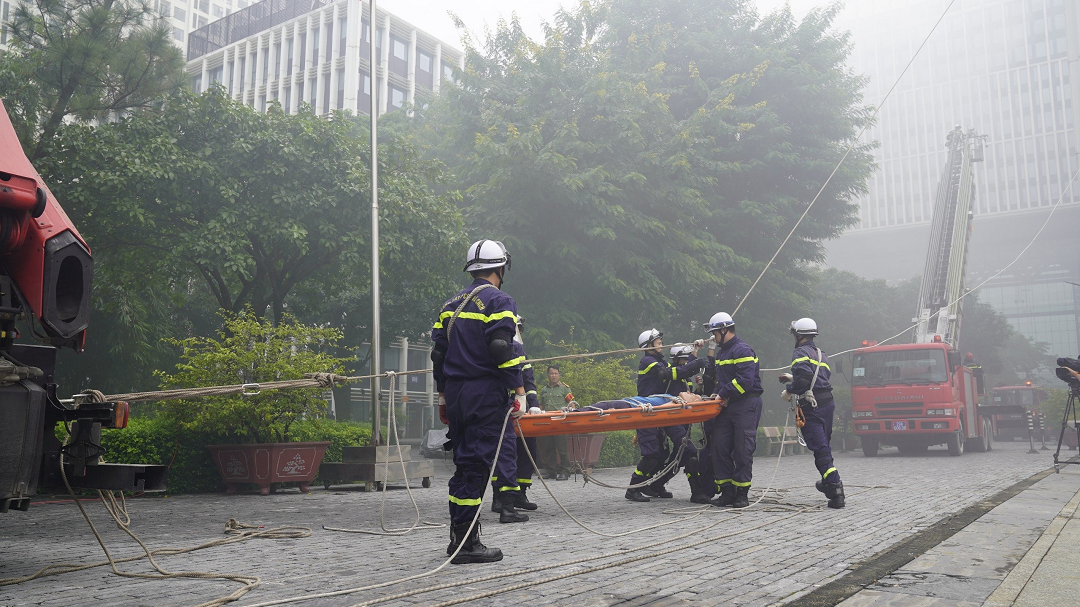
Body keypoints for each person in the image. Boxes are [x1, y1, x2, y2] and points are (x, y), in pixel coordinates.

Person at [430, 239, 526, 564]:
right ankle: (467, 545)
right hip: (484, 394)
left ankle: (459, 538)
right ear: (500, 268)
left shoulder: (450, 305)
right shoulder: (500, 300)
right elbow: (501, 347)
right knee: (476, 467)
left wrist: (442, 396)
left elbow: (438, 354)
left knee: (464, 465)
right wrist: (520, 391)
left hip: (456, 394)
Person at [626, 329, 707, 503]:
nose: (662, 344)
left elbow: (677, 368)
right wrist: (696, 364)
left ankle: (654, 485)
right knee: (653, 454)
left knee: (668, 453)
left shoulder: (660, 361)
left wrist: (694, 353)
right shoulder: (648, 361)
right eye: (658, 342)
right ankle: (633, 488)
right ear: (648, 346)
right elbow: (669, 374)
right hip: (646, 412)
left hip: (661, 413)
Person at [780, 318, 844, 509]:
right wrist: (794, 377)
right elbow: (819, 377)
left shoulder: (799, 352)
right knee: (824, 446)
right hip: (827, 404)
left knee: (820, 448)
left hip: (812, 406)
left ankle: (835, 487)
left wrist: (790, 389)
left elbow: (805, 381)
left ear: (799, 335)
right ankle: (828, 483)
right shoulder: (821, 354)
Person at [704, 312, 763, 509]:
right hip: (727, 406)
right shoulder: (722, 354)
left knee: (742, 450)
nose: (714, 337)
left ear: (724, 330)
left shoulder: (743, 350)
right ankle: (726, 491)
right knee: (719, 448)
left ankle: (741, 493)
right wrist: (715, 393)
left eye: (715, 332)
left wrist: (722, 393)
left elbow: (745, 382)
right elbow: (722, 381)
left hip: (746, 405)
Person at [647, 344, 709, 501]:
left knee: (679, 456)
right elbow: (683, 372)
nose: (686, 363)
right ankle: (697, 492)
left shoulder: (683, 379)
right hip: (672, 421)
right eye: (684, 359)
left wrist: (699, 389)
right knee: (689, 452)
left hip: (682, 422)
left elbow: (690, 398)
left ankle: (657, 484)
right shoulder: (671, 378)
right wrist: (695, 362)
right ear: (677, 360)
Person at [488, 318, 533, 523]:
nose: (518, 331)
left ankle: (519, 495)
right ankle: (501, 501)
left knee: (524, 449)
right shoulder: (505, 347)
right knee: (502, 453)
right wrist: (519, 396)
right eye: (517, 327)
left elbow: (529, 381)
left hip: (514, 408)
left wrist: (532, 404)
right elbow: (514, 377)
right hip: (501, 406)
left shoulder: (520, 350)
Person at [537, 365, 575, 480]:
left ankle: (565, 471)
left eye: (556, 373)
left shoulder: (564, 388)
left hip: (560, 422)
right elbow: (541, 405)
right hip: (547, 422)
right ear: (548, 375)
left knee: (562, 448)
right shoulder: (544, 389)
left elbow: (572, 404)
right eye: (551, 373)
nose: (553, 375)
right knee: (548, 448)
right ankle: (551, 471)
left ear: (559, 375)